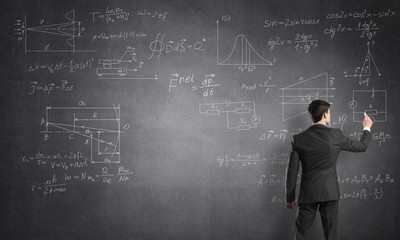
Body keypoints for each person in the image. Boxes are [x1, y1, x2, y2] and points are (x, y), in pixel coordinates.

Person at [285, 99, 373, 240]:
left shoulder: (298, 139)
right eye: (330, 113)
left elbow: (292, 171)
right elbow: (362, 146)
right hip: (329, 193)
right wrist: (367, 127)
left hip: (308, 195)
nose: (330, 116)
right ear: (325, 115)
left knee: (301, 236)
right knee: (331, 236)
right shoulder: (336, 135)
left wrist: (289, 197)